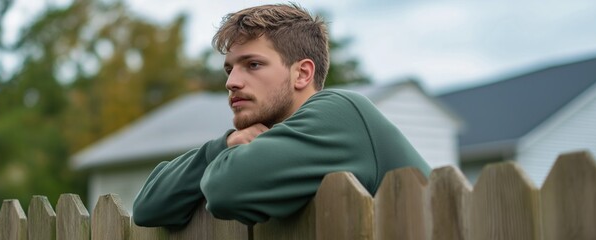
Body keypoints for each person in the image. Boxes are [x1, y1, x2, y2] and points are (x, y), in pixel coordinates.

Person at [132, 3, 431, 228]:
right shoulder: (269, 144)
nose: (231, 82)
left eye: (253, 65)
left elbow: (227, 189)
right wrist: (223, 146)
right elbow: (147, 209)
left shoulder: (342, 112)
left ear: (302, 73)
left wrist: (229, 155)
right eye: (229, 68)